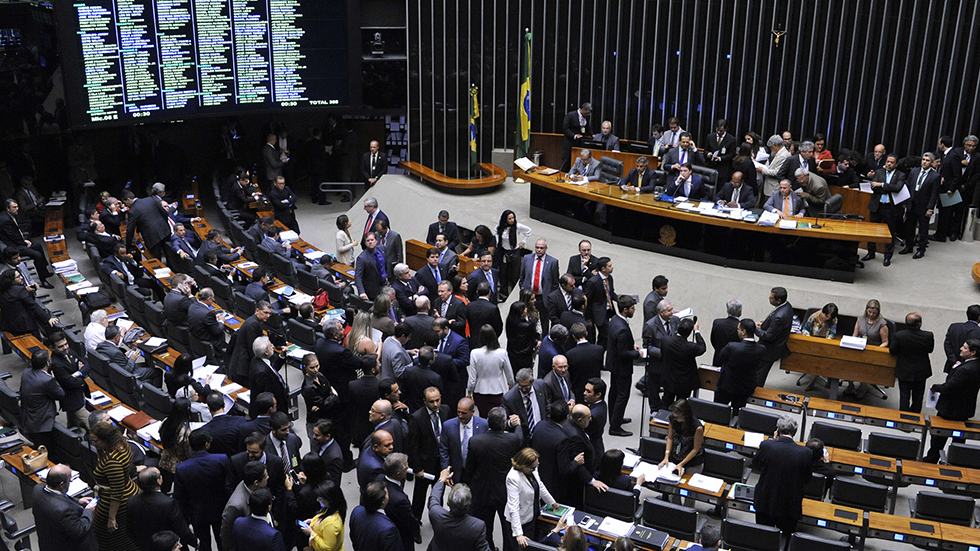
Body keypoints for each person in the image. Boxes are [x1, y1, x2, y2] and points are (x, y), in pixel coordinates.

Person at [464, 407, 524, 550]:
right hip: (505, 492)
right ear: (504, 423)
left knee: (485, 529)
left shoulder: (475, 441)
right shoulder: (513, 439)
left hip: (482, 492)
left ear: (488, 421)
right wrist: (518, 425)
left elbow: (469, 469)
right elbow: (520, 438)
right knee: (508, 529)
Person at [753, 415, 811, 537]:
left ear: (777, 431)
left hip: (765, 501)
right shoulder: (806, 453)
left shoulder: (766, 445)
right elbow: (807, 479)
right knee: (785, 538)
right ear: (795, 432)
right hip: (789, 505)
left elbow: (756, 466)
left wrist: (773, 441)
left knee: (763, 536)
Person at [924, 339, 980, 463]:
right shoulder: (975, 365)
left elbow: (949, 387)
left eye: (965, 348)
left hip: (951, 409)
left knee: (939, 437)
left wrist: (934, 387)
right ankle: (956, 461)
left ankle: (931, 459)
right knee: (959, 438)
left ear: (973, 352)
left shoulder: (964, 369)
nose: (961, 348)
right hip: (965, 408)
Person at [174, 429, 230, 551]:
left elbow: (180, 498)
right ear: (206, 444)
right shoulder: (222, 459)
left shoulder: (182, 469)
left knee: (203, 545)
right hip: (220, 509)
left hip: (197, 513)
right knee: (223, 542)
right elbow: (228, 485)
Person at [89, 421, 141, 551]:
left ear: (106, 440)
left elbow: (116, 493)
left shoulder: (113, 462)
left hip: (116, 503)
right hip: (130, 490)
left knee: (108, 537)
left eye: (96, 441)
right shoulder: (122, 444)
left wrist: (112, 518)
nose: (93, 444)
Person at [127, 467, 197, 551]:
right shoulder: (168, 503)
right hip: (168, 546)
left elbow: (130, 529)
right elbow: (181, 529)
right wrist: (195, 542)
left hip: (145, 546)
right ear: (158, 481)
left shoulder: (131, 501)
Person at [32, 463, 98, 551]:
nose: (70, 483)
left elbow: (60, 498)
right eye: (69, 480)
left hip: (48, 542)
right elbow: (79, 530)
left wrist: (78, 501)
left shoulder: (38, 489)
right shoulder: (64, 510)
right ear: (62, 484)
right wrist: (88, 511)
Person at [428, 468, 491, 551]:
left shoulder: (436, 514)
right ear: (468, 506)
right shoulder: (478, 526)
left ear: (448, 503)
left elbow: (434, 498)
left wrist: (441, 480)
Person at [506, 448, 557, 548]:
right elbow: (513, 507)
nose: (534, 469)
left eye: (536, 466)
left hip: (533, 515)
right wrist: (519, 534)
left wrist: (552, 502)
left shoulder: (532, 468)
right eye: (532, 468)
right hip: (521, 521)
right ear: (523, 466)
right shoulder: (512, 478)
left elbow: (540, 485)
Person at [558, 404, 608, 508]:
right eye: (588, 417)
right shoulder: (575, 436)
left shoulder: (570, 422)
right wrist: (591, 481)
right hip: (577, 481)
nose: (590, 419)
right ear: (580, 420)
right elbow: (579, 464)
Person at [607, 295, 643, 436]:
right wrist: (637, 354)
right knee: (622, 396)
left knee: (614, 392)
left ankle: (614, 418)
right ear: (625, 309)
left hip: (613, 364)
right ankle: (615, 427)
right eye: (632, 308)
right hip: (622, 367)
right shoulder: (622, 328)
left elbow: (617, 344)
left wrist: (630, 345)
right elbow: (623, 353)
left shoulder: (615, 320)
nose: (634, 310)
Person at [863, 154, 908, 266]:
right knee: (872, 231)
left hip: (890, 207)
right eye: (888, 161)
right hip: (876, 205)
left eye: (892, 162)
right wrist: (887, 188)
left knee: (889, 233)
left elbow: (897, 188)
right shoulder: (879, 172)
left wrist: (882, 185)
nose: (889, 164)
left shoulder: (901, 175)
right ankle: (871, 252)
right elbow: (874, 188)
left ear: (896, 164)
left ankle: (887, 256)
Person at [713, 319, 766, 415]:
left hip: (727, 386)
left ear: (743, 332)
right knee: (737, 415)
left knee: (718, 413)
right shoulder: (761, 349)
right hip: (745, 388)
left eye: (738, 329)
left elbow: (721, 357)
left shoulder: (732, 347)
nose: (737, 331)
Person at [0, 199, 54, 286]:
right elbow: (13, 237)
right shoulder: (5, 220)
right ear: (8, 208)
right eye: (14, 207)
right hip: (13, 246)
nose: (17, 209)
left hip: (17, 242)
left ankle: (44, 271)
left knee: (38, 245)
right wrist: (24, 243)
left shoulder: (9, 215)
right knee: (37, 255)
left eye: (17, 206)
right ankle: (43, 280)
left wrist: (24, 241)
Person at [20, 350, 65, 451]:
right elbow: (60, 394)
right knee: (45, 450)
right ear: (48, 363)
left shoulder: (26, 373)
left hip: (29, 417)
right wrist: (53, 379)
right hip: (42, 422)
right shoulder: (47, 380)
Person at [890, 313, 934, 413]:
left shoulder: (899, 335)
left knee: (904, 395)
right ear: (919, 324)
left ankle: (903, 418)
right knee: (918, 396)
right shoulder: (928, 336)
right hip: (921, 370)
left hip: (904, 369)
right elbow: (930, 350)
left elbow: (893, 351)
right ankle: (915, 417)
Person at [468, 324, 515, 416]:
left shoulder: (474, 353)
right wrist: (511, 385)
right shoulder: (502, 353)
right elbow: (509, 374)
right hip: (497, 390)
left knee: (483, 417)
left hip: (480, 391)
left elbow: (472, 377)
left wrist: (470, 391)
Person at [901, 152, 941, 258]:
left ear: (932, 162)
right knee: (910, 227)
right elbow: (908, 187)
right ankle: (909, 246)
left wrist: (930, 208)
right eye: (923, 159)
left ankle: (921, 250)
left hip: (924, 206)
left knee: (923, 229)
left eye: (927, 160)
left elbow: (934, 194)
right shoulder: (914, 171)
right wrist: (905, 202)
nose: (924, 162)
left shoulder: (935, 176)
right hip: (912, 203)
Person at [48, 330, 91, 430]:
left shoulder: (69, 352)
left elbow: (87, 365)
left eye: (66, 344)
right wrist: (81, 374)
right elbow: (72, 383)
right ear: (52, 348)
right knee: (91, 426)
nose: (65, 347)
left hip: (80, 394)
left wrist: (77, 373)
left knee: (73, 425)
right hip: (72, 400)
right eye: (61, 346)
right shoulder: (56, 364)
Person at [440, 397, 489, 483]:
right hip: (457, 472)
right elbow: (444, 450)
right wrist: (446, 471)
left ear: (472, 412)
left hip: (477, 473)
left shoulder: (484, 425)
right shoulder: (448, 426)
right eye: (458, 412)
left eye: (464, 413)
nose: (460, 415)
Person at [847, 299, 888, 398]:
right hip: (859, 347)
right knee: (847, 361)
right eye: (869, 312)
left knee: (863, 366)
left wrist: (875, 351)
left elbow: (885, 342)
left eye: (874, 313)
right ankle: (850, 384)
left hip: (872, 350)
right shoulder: (860, 319)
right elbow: (854, 335)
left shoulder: (882, 324)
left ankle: (863, 387)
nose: (871, 314)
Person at [98, 325, 163, 387]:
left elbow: (115, 359)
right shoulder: (116, 352)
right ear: (116, 338)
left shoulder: (101, 345)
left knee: (147, 364)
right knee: (158, 371)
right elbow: (126, 370)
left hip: (117, 368)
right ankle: (157, 393)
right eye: (120, 336)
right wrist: (132, 359)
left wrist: (124, 356)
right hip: (125, 373)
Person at [660, 318, 707, 405]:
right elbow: (702, 347)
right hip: (684, 383)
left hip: (669, 379)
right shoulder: (690, 347)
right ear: (689, 333)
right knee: (681, 406)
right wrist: (696, 331)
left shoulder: (665, 341)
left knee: (666, 403)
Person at [518, 238, 560, 333]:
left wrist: (550, 296)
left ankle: (544, 339)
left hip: (543, 297)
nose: (539, 250)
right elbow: (522, 277)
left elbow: (555, 283)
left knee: (544, 321)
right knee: (527, 319)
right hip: (528, 296)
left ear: (546, 248)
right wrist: (523, 290)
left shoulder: (553, 262)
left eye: (541, 248)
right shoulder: (527, 258)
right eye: (537, 247)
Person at [0, 269, 57, 337]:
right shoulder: (20, 290)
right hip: (25, 326)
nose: (21, 277)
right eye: (18, 277)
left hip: (8, 325)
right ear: (11, 280)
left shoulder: (3, 290)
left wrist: (25, 290)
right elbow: (33, 305)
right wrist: (48, 319)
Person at [643, 298, 676, 413]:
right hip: (657, 364)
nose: (672, 312)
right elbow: (648, 346)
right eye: (669, 311)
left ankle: (666, 408)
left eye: (671, 309)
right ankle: (655, 410)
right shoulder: (650, 325)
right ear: (661, 313)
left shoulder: (674, 321)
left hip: (670, 365)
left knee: (669, 389)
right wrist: (663, 353)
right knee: (654, 389)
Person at [349, 481, 402, 551]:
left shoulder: (356, 511)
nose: (388, 493)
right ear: (383, 501)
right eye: (386, 493)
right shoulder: (389, 529)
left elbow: (353, 538)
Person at [756, 287, 793, 387]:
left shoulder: (779, 317)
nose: (769, 298)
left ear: (779, 300)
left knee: (759, 375)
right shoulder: (787, 306)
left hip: (768, 351)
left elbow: (768, 336)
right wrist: (764, 324)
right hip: (773, 347)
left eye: (771, 298)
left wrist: (755, 329)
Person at [382, 453, 419, 551]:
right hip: (401, 534)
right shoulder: (400, 500)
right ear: (398, 474)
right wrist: (417, 530)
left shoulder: (380, 480)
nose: (408, 469)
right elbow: (410, 520)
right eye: (406, 468)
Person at [125, 183, 172, 260]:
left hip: (151, 236)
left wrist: (128, 247)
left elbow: (130, 230)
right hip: (164, 230)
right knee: (170, 255)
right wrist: (165, 225)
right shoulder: (150, 199)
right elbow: (163, 212)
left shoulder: (132, 210)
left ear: (128, 200)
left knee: (156, 259)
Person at [659, 399, 704, 476]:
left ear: (685, 415)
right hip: (676, 457)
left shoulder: (697, 427)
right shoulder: (673, 419)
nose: (675, 419)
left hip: (692, 462)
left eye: (677, 417)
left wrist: (681, 464)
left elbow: (695, 449)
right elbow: (670, 438)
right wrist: (666, 457)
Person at [158, 398, 193, 493]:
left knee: (164, 488)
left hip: (164, 460)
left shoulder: (165, 422)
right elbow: (188, 453)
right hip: (179, 466)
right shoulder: (186, 432)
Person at [300, 481, 347, 551]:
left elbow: (327, 548)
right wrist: (312, 521)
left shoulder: (331, 524)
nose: (317, 500)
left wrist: (311, 533)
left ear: (329, 499)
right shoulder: (331, 509)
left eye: (320, 498)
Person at [494, 210, 531, 297]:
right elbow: (495, 232)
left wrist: (523, 242)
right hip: (503, 252)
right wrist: (498, 242)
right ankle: (503, 295)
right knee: (503, 274)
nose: (512, 220)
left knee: (515, 274)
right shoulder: (500, 227)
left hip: (515, 252)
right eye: (509, 218)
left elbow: (529, 231)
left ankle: (515, 295)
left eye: (513, 218)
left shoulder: (517, 226)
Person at [943, 305, 980, 373]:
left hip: (952, 366)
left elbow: (947, 346)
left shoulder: (954, 327)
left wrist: (954, 361)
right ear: (979, 318)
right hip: (972, 369)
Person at [506, 302, 539, 375]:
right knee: (527, 375)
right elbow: (533, 337)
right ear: (520, 312)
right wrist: (536, 343)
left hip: (512, 353)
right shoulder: (529, 325)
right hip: (525, 354)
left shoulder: (509, 321)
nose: (526, 309)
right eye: (524, 308)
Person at [561, 103, 593, 172]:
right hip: (570, 143)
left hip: (580, 143)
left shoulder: (586, 117)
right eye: (587, 113)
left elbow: (587, 126)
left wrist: (592, 134)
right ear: (582, 110)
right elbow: (565, 128)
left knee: (578, 162)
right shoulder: (571, 115)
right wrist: (574, 135)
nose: (588, 115)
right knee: (567, 161)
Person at [757, 135, 790, 201]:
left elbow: (777, 172)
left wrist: (762, 170)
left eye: (771, 147)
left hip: (774, 187)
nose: (771, 150)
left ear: (776, 145)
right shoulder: (779, 153)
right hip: (770, 186)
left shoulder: (783, 155)